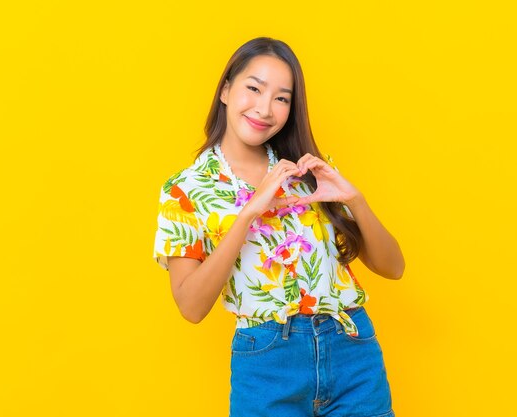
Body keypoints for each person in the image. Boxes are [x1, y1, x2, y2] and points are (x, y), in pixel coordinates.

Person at [152, 37, 405, 417]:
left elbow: (394, 268)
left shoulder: (307, 171)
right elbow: (191, 306)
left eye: (282, 98)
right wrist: (249, 213)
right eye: (253, 88)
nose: (265, 108)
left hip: (352, 351)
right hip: (269, 364)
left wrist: (356, 200)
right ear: (225, 90)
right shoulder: (185, 191)